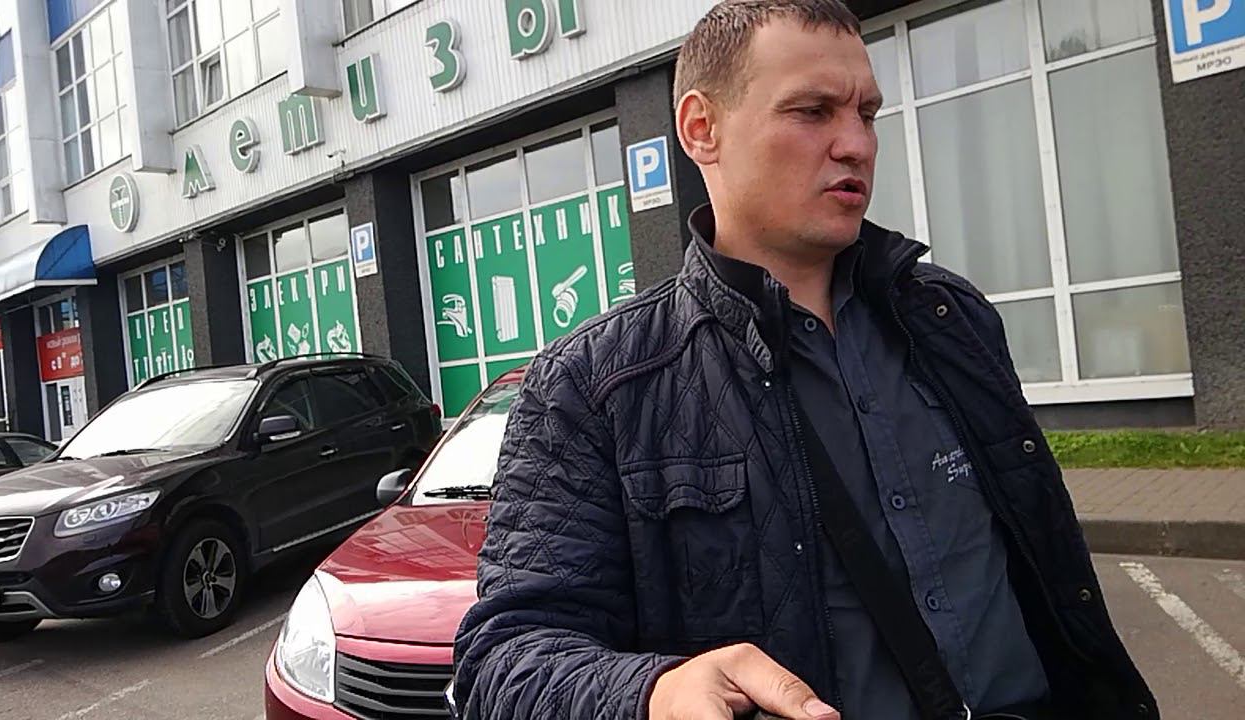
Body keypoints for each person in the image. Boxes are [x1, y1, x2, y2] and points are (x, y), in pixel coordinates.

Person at [453, 1, 1158, 718]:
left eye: (867, 113)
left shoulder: (952, 318)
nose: (856, 144)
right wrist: (652, 692)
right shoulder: (594, 383)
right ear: (702, 129)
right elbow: (505, 658)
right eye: (813, 111)